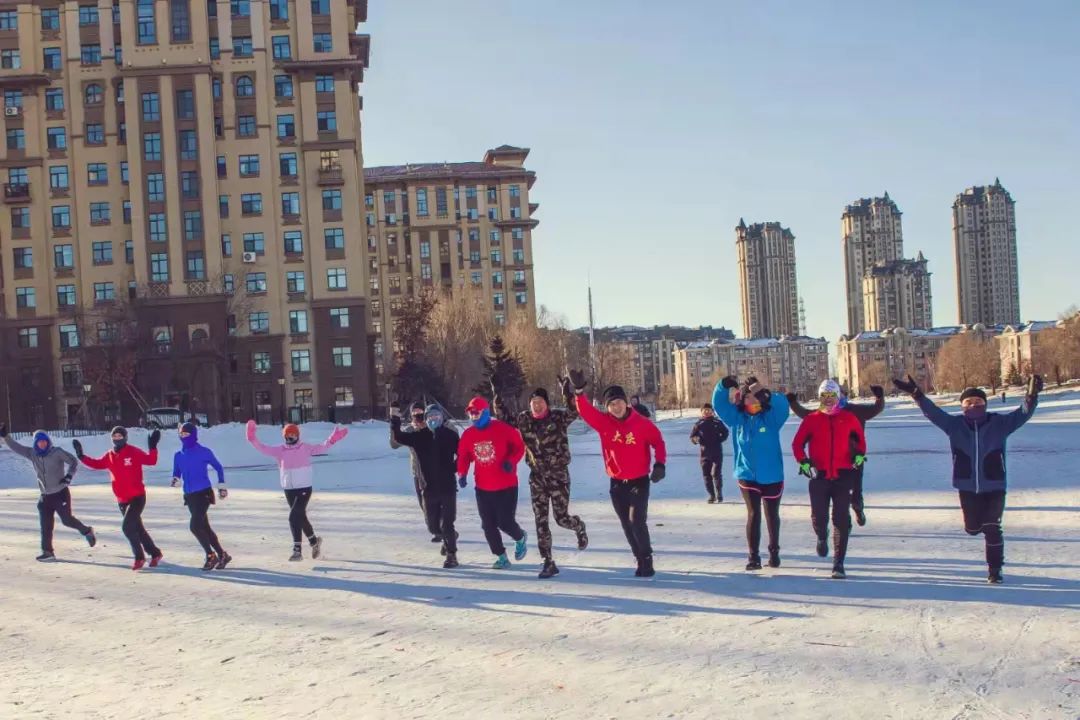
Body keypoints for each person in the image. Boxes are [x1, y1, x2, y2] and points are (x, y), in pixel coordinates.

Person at [893, 373, 1042, 584]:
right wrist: (917, 394)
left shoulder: (999, 423)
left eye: (978, 402)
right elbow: (933, 413)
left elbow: (1022, 415)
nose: (974, 405)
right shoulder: (954, 425)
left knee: (992, 527)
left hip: (994, 484)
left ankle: (995, 570)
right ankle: (978, 530)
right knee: (972, 529)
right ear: (962, 406)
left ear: (985, 404)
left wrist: (1031, 396)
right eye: (969, 402)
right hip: (966, 485)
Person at [569, 371, 666, 577]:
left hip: (639, 481)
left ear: (626, 403)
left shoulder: (641, 423)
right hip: (616, 483)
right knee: (626, 524)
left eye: (619, 402)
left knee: (636, 520)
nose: (616, 407)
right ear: (607, 407)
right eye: (612, 404)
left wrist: (660, 464)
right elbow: (585, 411)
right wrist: (579, 392)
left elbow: (658, 442)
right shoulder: (604, 422)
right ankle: (639, 557)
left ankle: (647, 558)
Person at [494, 378, 589, 579]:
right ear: (530, 405)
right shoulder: (524, 420)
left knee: (561, 519)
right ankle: (548, 561)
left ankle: (578, 526)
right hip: (537, 478)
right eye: (533, 402)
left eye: (541, 402)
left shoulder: (558, 418)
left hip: (558, 477)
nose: (537, 405)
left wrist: (569, 393)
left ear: (547, 404)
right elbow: (504, 417)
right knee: (541, 520)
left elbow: (575, 411)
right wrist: (497, 396)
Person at [712, 376, 790, 571]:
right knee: (754, 513)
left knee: (772, 514)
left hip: (772, 475)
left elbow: (783, 405)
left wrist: (765, 391)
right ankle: (753, 556)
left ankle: (774, 551)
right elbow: (719, 405)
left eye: (756, 397)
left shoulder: (771, 418)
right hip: (747, 474)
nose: (752, 401)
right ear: (742, 399)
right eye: (748, 397)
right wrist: (723, 385)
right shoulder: (738, 420)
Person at [791, 379, 867, 579]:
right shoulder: (811, 419)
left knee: (841, 520)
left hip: (843, 475)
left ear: (838, 397)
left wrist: (859, 456)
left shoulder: (849, 418)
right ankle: (821, 536)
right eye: (824, 396)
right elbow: (797, 444)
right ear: (820, 397)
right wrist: (804, 462)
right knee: (819, 517)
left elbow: (861, 442)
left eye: (832, 396)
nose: (828, 400)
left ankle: (838, 563)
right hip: (819, 476)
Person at [246, 421, 348, 561]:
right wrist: (252, 439)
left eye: (293, 434)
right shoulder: (280, 450)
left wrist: (333, 439)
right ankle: (314, 541)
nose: (291, 437)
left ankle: (297, 550)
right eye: (288, 434)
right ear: (284, 436)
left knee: (293, 517)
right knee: (300, 517)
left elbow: (321, 448)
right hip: (289, 489)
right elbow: (263, 448)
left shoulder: (304, 448)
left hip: (304, 488)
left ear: (298, 435)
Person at [788, 384, 884, 526]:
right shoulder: (823, 413)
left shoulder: (856, 411)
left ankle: (858, 509)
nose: (832, 398)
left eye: (837, 394)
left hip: (854, 460)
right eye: (827, 395)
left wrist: (879, 398)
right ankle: (842, 523)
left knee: (856, 494)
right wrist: (793, 402)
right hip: (831, 463)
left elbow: (876, 409)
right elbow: (805, 414)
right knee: (838, 497)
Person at [0, 424, 95, 561]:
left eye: (45, 441)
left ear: (48, 441)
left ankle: (86, 531)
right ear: (36, 443)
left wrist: (68, 476)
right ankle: (48, 552)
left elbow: (73, 461)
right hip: (45, 497)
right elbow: (17, 448)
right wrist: (5, 436)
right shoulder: (32, 453)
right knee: (46, 526)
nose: (42, 443)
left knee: (67, 520)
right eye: (39, 441)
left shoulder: (56, 452)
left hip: (60, 493)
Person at [73, 427, 163, 571]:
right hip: (122, 499)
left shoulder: (133, 451)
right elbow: (97, 464)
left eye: (120, 436)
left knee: (127, 527)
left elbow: (151, 460)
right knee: (137, 529)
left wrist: (153, 447)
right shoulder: (110, 455)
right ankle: (155, 553)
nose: (117, 438)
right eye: (114, 436)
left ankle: (139, 557)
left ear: (125, 437)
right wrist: (81, 456)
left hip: (137, 497)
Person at [457, 396, 528, 569]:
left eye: (476, 413)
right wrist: (462, 473)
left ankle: (520, 537)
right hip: (483, 487)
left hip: (507, 486)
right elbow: (463, 456)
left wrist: (511, 461)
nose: (473, 417)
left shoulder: (503, 429)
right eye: (471, 414)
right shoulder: (468, 435)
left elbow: (519, 446)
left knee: (504, 521)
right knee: (488, 525)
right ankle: (501, 556)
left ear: (486, 413)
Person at [390, 404, 461, 568]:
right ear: (426, 420)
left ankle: (452, 555)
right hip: (428, 489)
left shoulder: (450, 435)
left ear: (441, 418)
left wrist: (456, 468)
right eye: (430, 417)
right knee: (433, 527)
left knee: (447, 524)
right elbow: (398, 438)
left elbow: (463, 453)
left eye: (436, 417)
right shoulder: (419, 436)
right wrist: (394, 418)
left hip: (448, 487)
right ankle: (447, 537)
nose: (433, 420)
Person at [171, 422, 231, 571]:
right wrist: (175, 479)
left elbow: (218, 467)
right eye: (181, 434)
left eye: (187, 434)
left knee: (195, 526)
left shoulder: (204, 452)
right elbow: (177, 472)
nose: (184, 437)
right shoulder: (178, 455)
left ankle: (211, 555)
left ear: (194, 435)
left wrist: (221, 486)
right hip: (189, 495)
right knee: (205, 527)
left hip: (203, 493)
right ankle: (223, 554)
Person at [390, 402, 442, 542]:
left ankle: (444, 529)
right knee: (424, 504)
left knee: (439, 503)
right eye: (415, 413)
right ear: (411, 414)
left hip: (436, 471)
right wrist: (394, 422)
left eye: (421, 412)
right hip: (417, 472)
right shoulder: (409, 430)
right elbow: (394, 444)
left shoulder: (432, 426)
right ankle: (436, 529)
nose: (418, 415)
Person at [689, 403, 729, 503]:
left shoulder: (717, 422)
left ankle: (719, 493)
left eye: (709, 410)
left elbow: (725, 432)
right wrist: (695, 439)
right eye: (705, 410)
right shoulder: (698, 424)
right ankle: (712, 495)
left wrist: (720, 439)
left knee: (716, 474)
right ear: (701, 412)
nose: (707, 412)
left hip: (716, 452)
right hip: (704, 454)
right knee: (706, 475)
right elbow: (692, 437)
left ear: (712, 411)